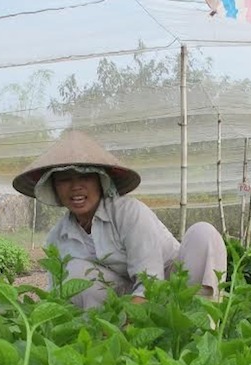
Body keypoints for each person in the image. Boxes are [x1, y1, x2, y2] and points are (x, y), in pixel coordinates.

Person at [12, 130, 227, 310]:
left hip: (173, 283)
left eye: (85, 177)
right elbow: (58, 297)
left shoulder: (129, 212)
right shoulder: (57, 239)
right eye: (65, 180)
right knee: (75, 272)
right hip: (126, 295)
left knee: (203, 233)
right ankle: (103, 340)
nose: (76, 187)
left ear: (101, 182)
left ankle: (200, 325)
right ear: (54, 189)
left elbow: (150, 283)